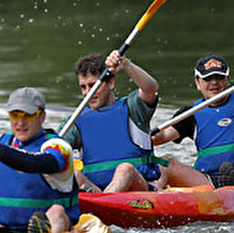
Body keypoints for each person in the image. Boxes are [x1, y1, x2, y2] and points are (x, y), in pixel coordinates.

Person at [0, 87, 80, 233]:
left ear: (42, 117)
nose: (20, 123)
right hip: (4, 231)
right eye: (15, 115)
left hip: (52, 231)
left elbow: (32, 163)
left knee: (56, 211)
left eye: (28, 115)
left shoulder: (59, 146)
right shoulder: (0, 143)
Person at [59, 50, 162, 193]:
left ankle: (104, 203)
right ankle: (102, 203)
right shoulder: (76, 121)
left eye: (94, 85)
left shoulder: (133, 108)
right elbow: (54, 148)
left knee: (125, 169)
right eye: (84, 87)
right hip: (96, 192)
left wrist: (126, 65)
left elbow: (151, 89)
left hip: (139, 191)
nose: (88, 92)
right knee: (71, 173)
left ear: (111, 83)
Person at [152, 54, 234, 188]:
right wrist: (149, 135)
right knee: (164, 164)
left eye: (219, 77)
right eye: (207, 79)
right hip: (205, 181)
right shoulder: (190, 113)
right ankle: (150, 200)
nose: (214, 83)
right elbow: (161, 137)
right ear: (197, 83)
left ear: (227, 80)